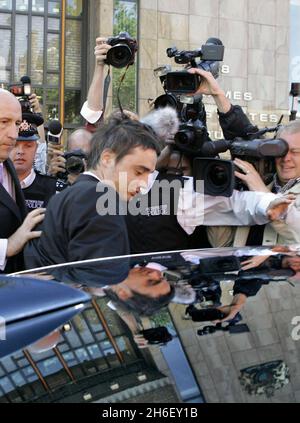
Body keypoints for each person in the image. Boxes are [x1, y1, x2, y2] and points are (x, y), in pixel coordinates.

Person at [24, 119, 177, 314]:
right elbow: (93, 273)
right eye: (139, 171)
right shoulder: (99, 200)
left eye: (149, 174)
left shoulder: (84, 193)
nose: (145, 185)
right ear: (107, 158)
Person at [213, 120, 300, 247]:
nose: (286, 158)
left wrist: (262, 194)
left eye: (295, 152)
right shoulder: (252, 189)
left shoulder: (258, 188)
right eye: (281, 150)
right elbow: (221, 245)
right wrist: (220, 197)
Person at [0, 89, 45, 274]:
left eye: (17, 123)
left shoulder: (7, 166)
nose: (13, 134)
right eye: (4, 122)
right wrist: (7, 246)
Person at [9, 116, 62, 211]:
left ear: (36, 149)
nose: (20, 151)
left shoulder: (53, 188)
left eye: (28, 146)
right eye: (14, 145)